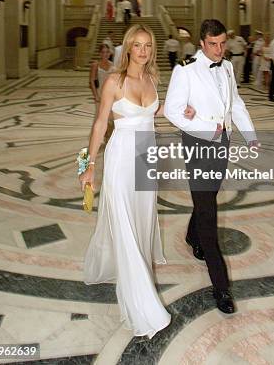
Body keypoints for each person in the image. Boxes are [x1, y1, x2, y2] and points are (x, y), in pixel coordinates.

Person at [81, 25, 188, 338]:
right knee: (124, 222)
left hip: (146, 157)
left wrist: (189, 112)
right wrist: (87, 166)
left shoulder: (153, 79)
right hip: (121, 158)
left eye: (147, 45)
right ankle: (142, 301)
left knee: (142, 218)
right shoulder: (114, 81)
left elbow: (157, 111)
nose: (143, 50)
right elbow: (100, 124)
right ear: (127, 48)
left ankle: (129, 269)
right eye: (137, 45)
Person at [164, 19, 257, 315]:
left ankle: (192, 236)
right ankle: (221, 287)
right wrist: (205, 127)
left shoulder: (227, 67)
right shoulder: (185, 68)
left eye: (222, 44)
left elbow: (236, 104)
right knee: (208, 212)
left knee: (207, 200)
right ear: (202, 43)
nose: (218, 50)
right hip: (200, 146)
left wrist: (250, 136)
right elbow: (171, 110)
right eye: (212, 45)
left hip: (224, 145)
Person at [89, 44, 115, 109]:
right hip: (100, 93)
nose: (105, 54)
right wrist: (96, 96)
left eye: (107, 52)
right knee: (99, 116)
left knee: (109, 116)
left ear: (109, 53)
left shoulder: (113, 65)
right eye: (103, 52)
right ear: (100, 54)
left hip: (110, 94)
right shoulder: (95, 65)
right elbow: (92, 81)